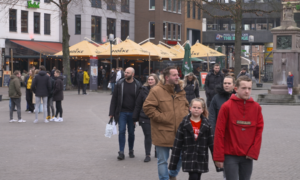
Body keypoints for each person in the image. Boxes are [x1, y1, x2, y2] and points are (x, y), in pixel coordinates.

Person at [214, 76, 264, 180]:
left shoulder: (256, 108)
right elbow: (219, 132)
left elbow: (259, 132)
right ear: (236, 89)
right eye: (244, 88)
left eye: (249, 88)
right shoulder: (226, 107)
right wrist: (218, 157)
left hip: (247, 156)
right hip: (230, 155)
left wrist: (253, 152)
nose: (247, 91)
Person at [143, 66, 189, 180]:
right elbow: (148, 108)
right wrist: (164, 117)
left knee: (182, 156)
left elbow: (186, 106)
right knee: (162, 160)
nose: (178, 77)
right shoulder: (156, 90)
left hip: (179, 132)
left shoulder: (180, 90)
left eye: (178, 74)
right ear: (167, 77)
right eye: (175, 75)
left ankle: (172, 174)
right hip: (162, 131)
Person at [169, 98, 221, 180]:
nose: (196, 110)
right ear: (190, 108)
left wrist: (218, 161)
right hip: (189, 156)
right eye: (194, 107)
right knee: (194, 176)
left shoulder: (206, 125)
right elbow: (177, 144)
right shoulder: (184, 123)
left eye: (199, 108)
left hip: (201, 156)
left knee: (197, 176)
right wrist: (173, 164)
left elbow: (212, 144)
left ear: (202, 110)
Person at [109, 67, 142, 160]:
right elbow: (114, 99)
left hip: (133, 113)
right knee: (122, 131)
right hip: (121, 112)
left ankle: (131, 150)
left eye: (128, 73)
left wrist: (138, 115)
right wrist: (111, 113)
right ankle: (121, 152)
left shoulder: (138, 85)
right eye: (125, 72)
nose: (125, 74)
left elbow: (139, 102)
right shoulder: (119, 84)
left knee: (131, 133)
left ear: (133, 74)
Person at [132, 74, 159, 162]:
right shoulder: (143, 90)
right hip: (145, 117)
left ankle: (156, 150)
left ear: (156, 80)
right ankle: (147, 154)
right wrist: (135, 118)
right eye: (149, 79)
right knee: (148, 136)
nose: (150, 81)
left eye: (152, 79)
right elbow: (138, 104)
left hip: (157, 117)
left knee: (156, 135)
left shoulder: (161, 90)